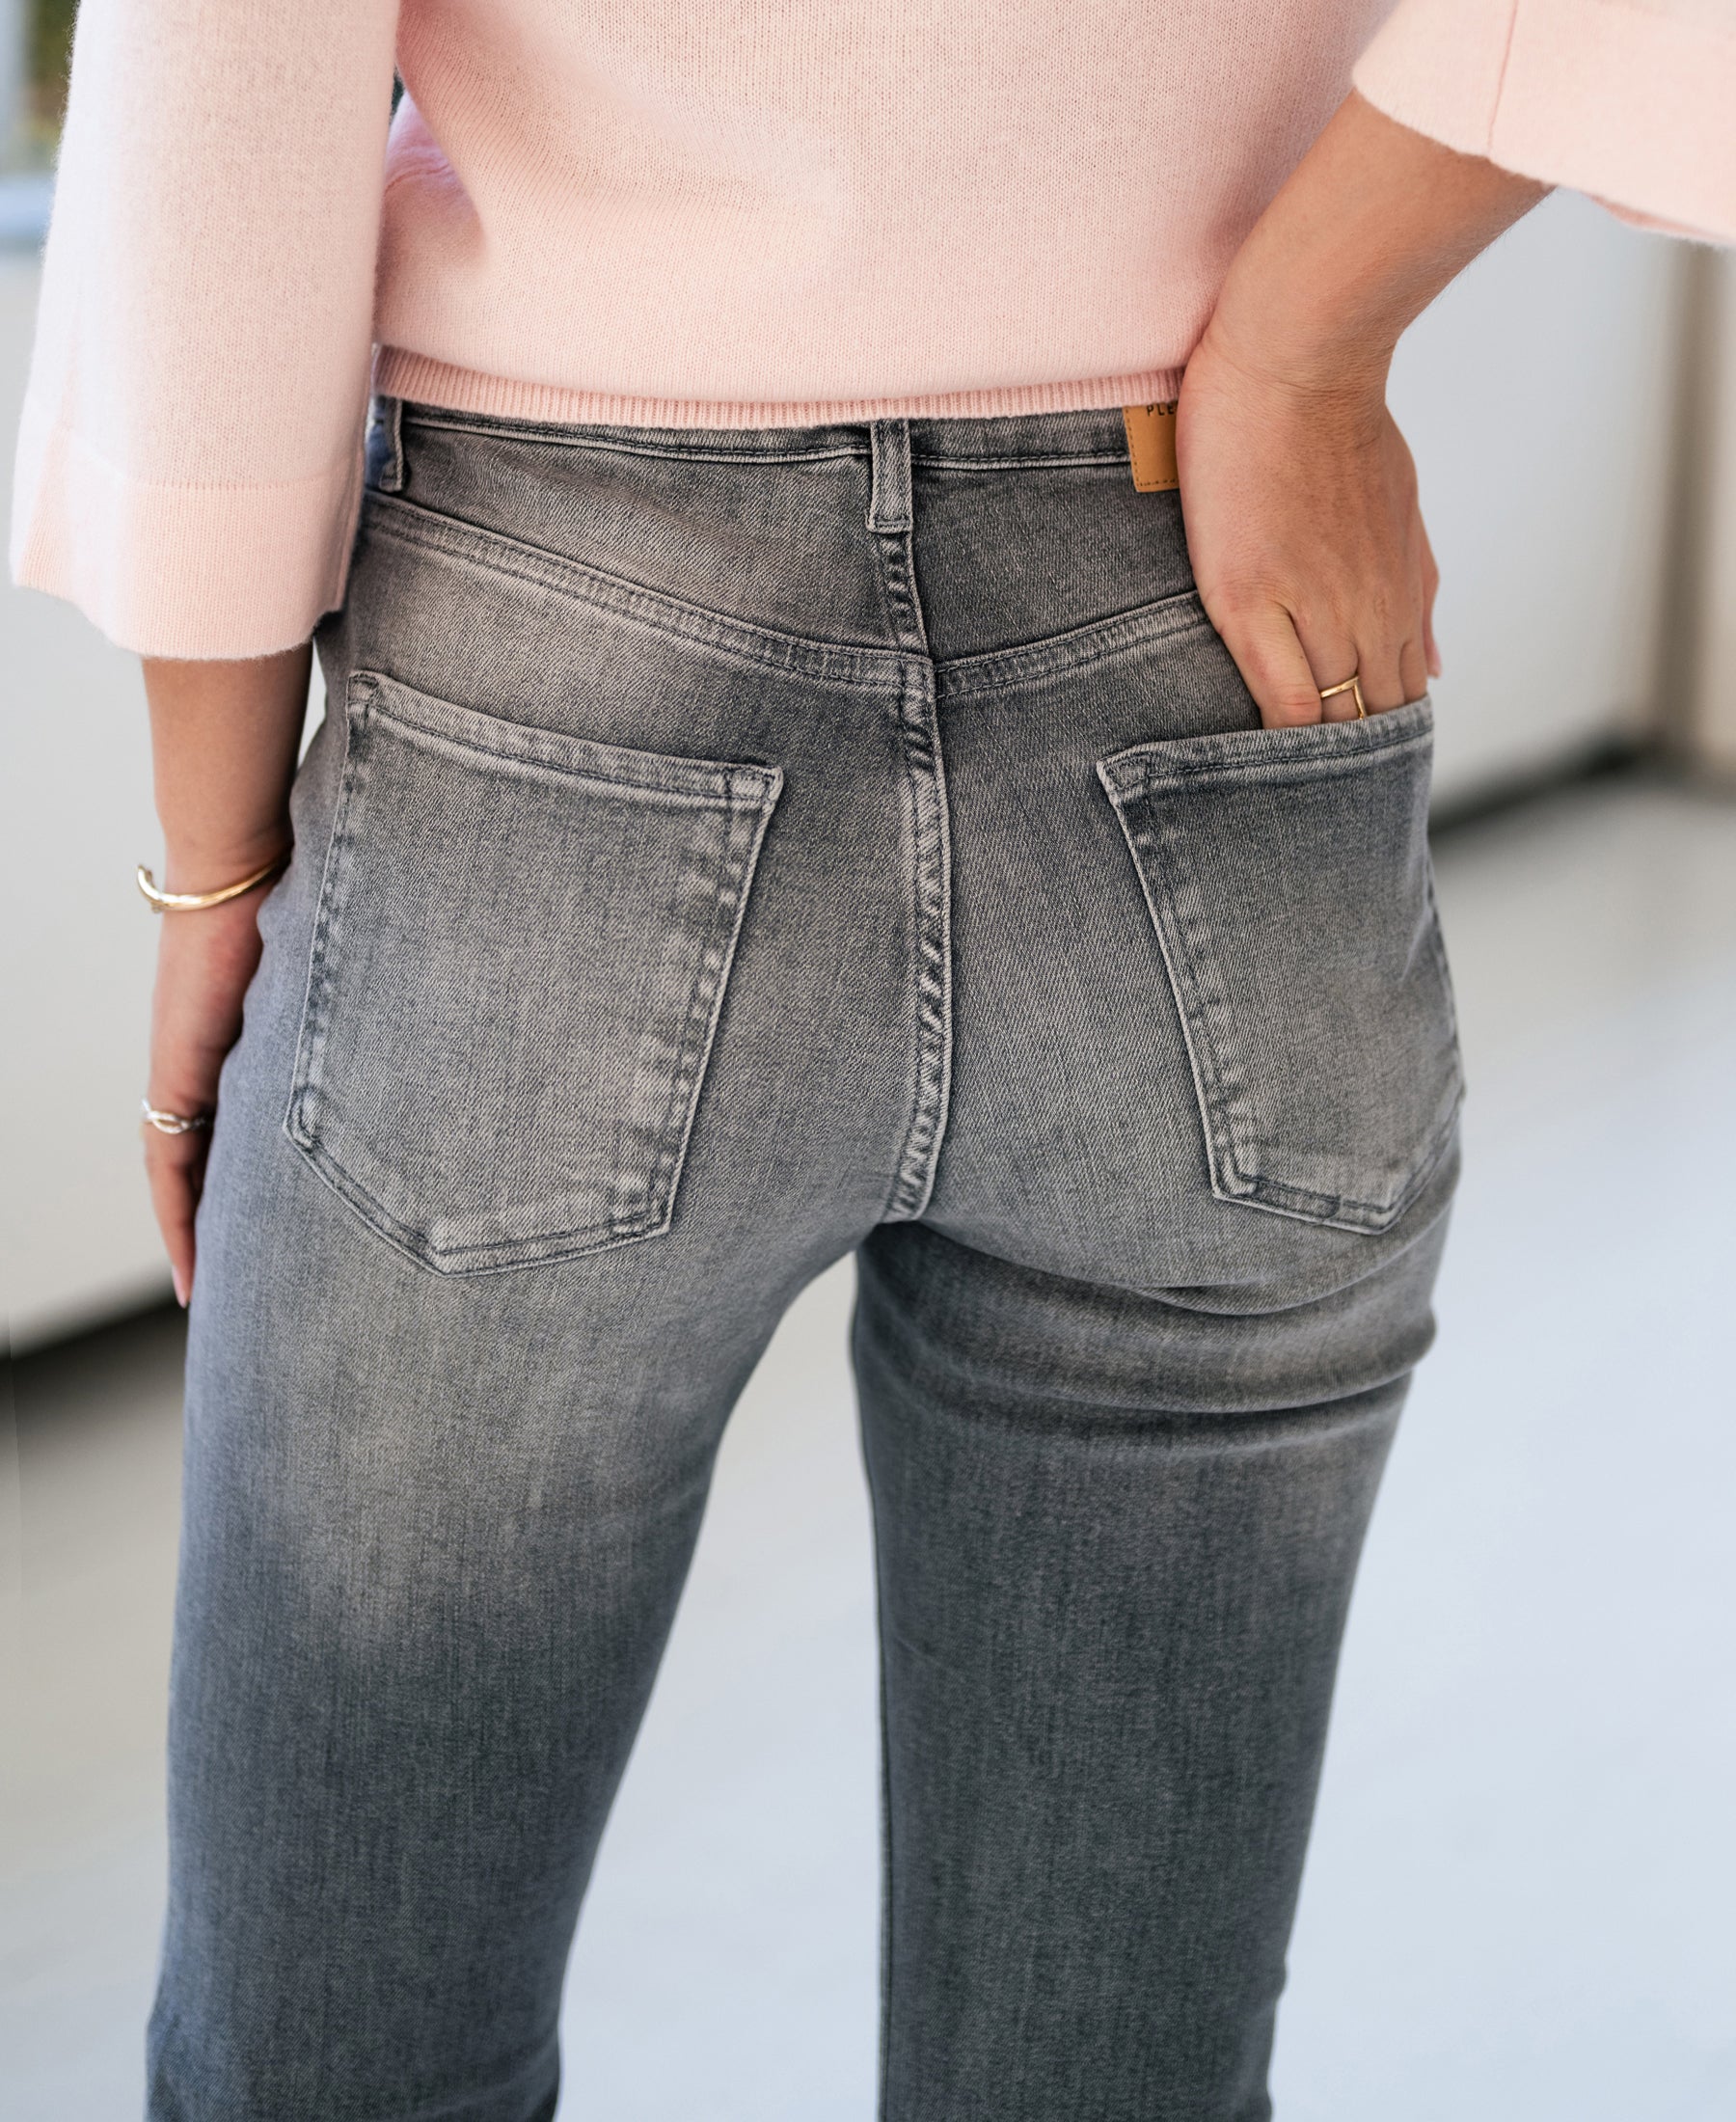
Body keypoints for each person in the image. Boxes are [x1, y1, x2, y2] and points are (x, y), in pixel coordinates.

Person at [11, 2, 1730, 2115]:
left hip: (564, 696)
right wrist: (1307, 328)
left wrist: (214, 866)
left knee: (339, 2065)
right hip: (1217, 619)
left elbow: (226, 78)